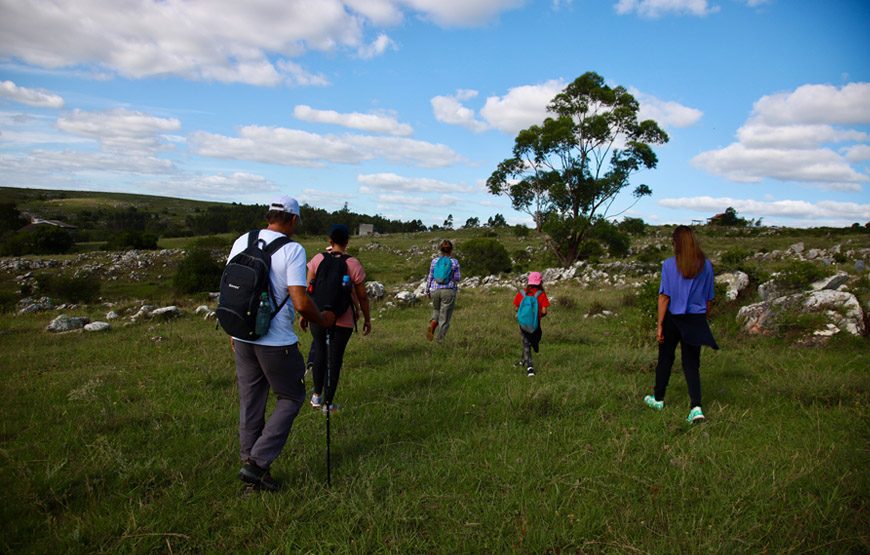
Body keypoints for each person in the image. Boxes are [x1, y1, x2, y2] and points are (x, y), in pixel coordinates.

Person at [226, 196, 336, 492]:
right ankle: (257, 464)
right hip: (275, 342)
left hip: (242, 336)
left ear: (269, 215)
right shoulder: (292, 250)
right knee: (291, 397)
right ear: (293, 220)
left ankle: (253, 474)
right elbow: (300, 302)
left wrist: (233, 331)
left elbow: (231, 289)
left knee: (251, 403)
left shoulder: (242, 240)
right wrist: (323, 319)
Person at [643, 225, 718, 424]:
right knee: (692, 364)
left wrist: (659, 325)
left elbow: (664, 297)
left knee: (665, 359)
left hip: (672, 319)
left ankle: (658, 399)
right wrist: (704, 318)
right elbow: (709, 298)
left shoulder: (669, 264)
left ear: (676, 243)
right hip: (696, 318)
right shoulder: (706, 266)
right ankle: (696, 407)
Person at [301, 224, 372, 413]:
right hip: (343, 319)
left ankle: (316, 396)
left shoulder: (317, 259)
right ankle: (328, 404)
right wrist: (367, 319)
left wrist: (305, 315)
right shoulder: (353, 264)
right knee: (335, 359)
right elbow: (363, 296)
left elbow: (308, 289)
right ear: (347, 242)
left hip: (318, 315)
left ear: (330, 241)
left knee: (320, 355)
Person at [513, 272, 550, 377]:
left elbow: (516, 308)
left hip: (523, 323)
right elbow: (544, 311)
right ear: (539, 282)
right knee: (528, 342)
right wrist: (536, 315)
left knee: (525, 341)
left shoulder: (522, 293)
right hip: (535, 323)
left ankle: (526, 363)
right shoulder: (541, 294)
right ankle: (529, 367)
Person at [425, 239, 461, 341]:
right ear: (451, 250)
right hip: (448, 291)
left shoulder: (435, 261)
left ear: (440, 250)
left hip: (435, 291)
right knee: (444, 317)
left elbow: (430, 276)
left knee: (436, 310)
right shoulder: (454, 262)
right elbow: (457, 278)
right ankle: (439, 340)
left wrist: (427, 290)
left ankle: (432, 326)